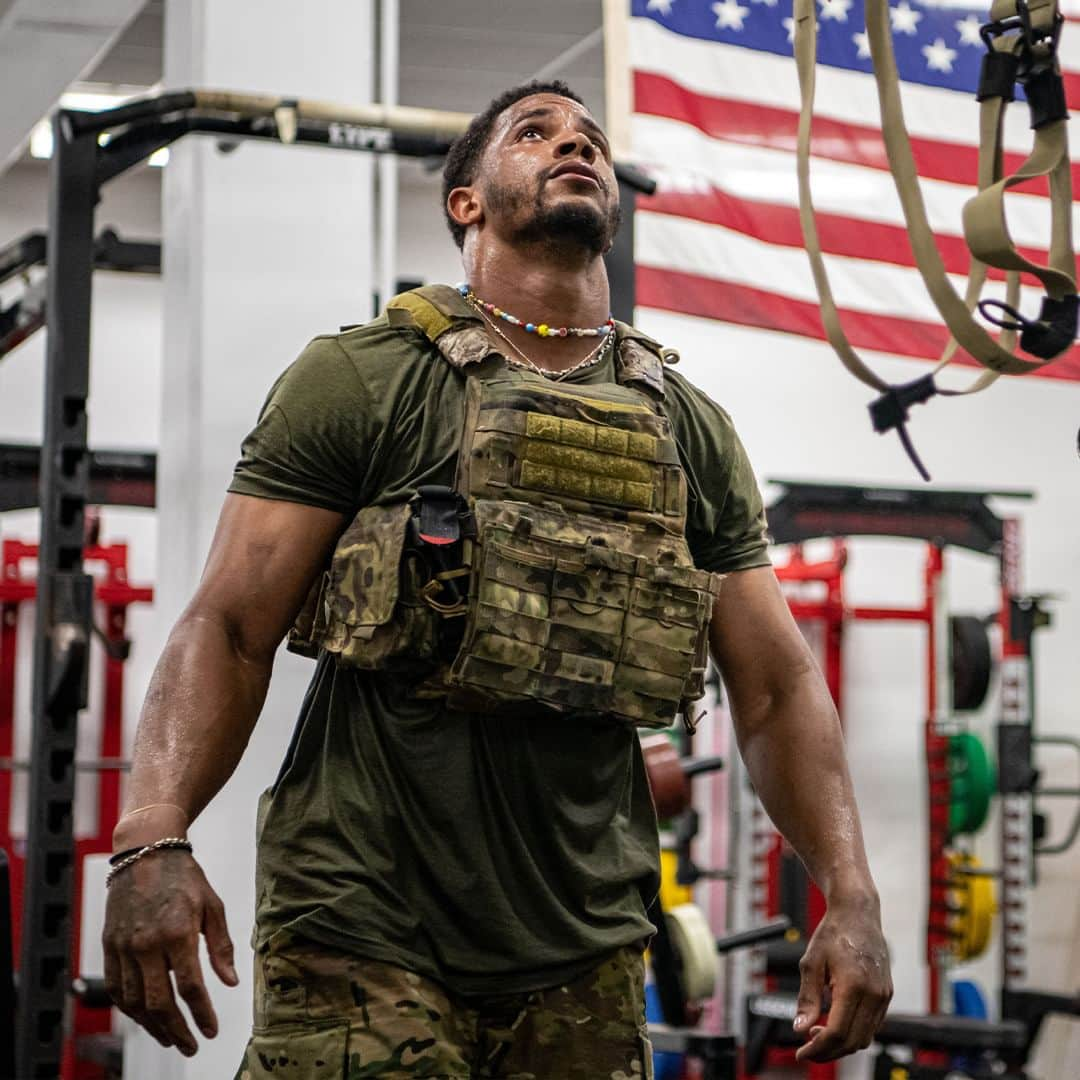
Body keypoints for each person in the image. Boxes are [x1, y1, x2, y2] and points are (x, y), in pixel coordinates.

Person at [102, 79, 892, 1077]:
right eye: (535, 132)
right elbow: (226, 625)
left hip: (586, 946)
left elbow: (776, 689)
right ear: (465, 201)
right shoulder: (366, 379)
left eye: (590, 139)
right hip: (365, 925)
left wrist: (852, 893)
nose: (575, 145)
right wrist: (150, 836)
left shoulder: (689, 430)